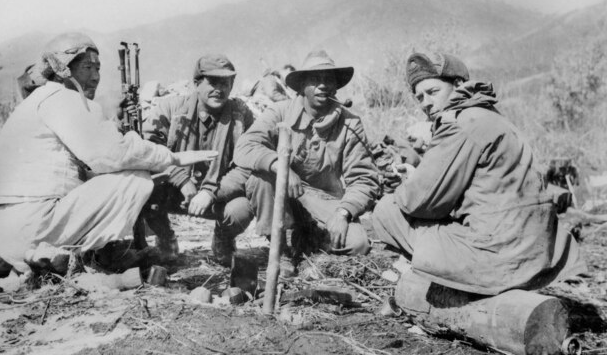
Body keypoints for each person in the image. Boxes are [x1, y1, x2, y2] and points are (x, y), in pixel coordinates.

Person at [0, 32, 216, 274]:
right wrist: (172, 158)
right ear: (63, 69)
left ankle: (75, 254)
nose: (95, 76)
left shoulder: (41, 98)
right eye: (87, 67)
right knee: (136, 176)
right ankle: (90, 255)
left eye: (98, 68)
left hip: (6, 229)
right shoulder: (62, 98)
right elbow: (109, 155)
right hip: (33, 225)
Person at [371, 52, 586, 295]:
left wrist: (405, 184)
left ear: (458, 85)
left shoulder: (460, 123)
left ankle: (443, 283)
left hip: (501, 258)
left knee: (387, 209)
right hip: (540, 254)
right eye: (419, 96)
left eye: (432, 92)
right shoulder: (492, 116)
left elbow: (419, 202)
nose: (425, 103)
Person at [234, 50, 379, 273]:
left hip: (321, 200)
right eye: (315, 79)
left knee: (357, 243)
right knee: (259, 178)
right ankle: (280, 250)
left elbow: (364, 178)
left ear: (336, 87)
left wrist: (343, 213)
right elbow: (245, 147)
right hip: (281, 194)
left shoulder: (350, 123)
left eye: (328, 80)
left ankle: (306, 239)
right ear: (302, 86)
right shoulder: (279, 112)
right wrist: (280, 167)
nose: (323, 85)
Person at [142, 54, 255, 266]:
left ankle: (224, 238)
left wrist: (210, 192)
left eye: (225, 83)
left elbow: (246, 165)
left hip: (219, 195)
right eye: (212, 82)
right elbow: (148, 150)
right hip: (174, 192)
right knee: (141, 186)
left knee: (242, 208)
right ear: (196, 83)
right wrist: (181, 179)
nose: (219, 89)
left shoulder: (241, 117)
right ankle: (165, 237)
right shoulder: (171, 109)